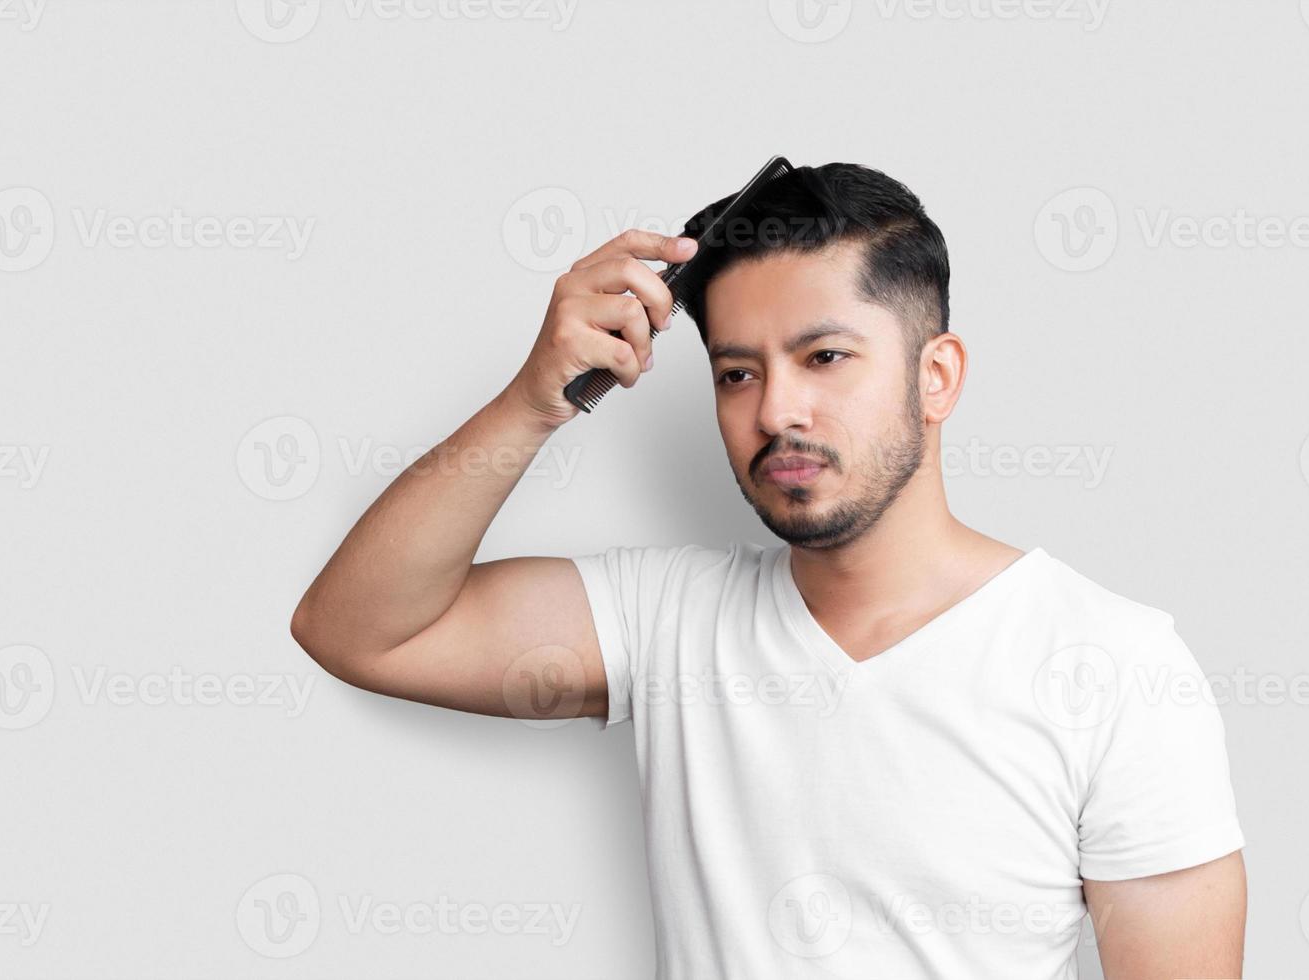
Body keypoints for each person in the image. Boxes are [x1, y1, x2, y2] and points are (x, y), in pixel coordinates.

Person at [290, 163, 1247, 978]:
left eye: (824, 356)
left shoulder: (1113, 665)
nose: (776, 410)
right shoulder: (665, 620)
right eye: (737, 372)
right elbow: (359, 630)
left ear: (936, 375)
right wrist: (534, 400)